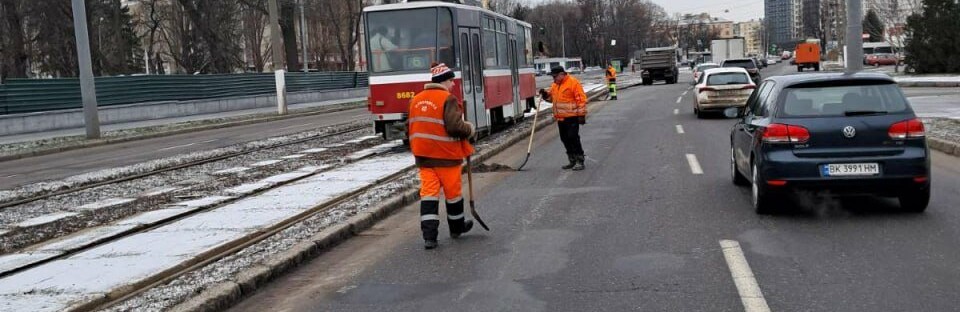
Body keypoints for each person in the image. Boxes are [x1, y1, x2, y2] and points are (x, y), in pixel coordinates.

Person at [408, 62, 476, 250]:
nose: (453, 84)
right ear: (444, 81)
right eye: (451, 81)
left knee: (429, 195)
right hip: (446, 157)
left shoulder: (416, 99)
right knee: (453, 195)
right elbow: (454, 127)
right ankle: (456, 228)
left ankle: (429, 237)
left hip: (423, 157)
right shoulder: (448, 99)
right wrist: (469, 129)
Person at [539, 66, 587, 171]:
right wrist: (545, 95)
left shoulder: (573, 83)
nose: (553, 79)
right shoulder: (555, 85)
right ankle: (572, 159)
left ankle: (580, 160)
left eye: (555, 76)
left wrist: (581, 115)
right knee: (564, 139)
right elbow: (551, 99)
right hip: (560, 118)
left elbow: (581, 99)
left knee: (573, 137)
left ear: (562, 74)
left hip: (572, 117)